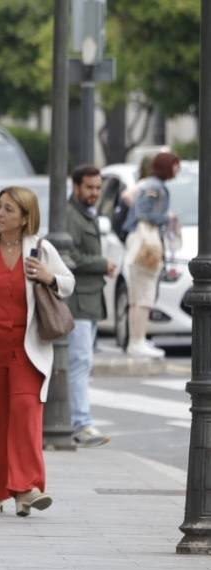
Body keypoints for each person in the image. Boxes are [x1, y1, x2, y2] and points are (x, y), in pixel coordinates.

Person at [0, 187, 75, 516]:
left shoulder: (40, 248)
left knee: (26, 414)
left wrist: (49, 276)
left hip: (28, 349)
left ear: (26, 216)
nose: (0, 213)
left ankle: (26, 488)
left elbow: (68, 284)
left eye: (9, 209)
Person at [65, 165, 117, 448]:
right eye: (89, 187)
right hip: (78, 302)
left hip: (89, 300)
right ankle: (81, 423)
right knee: (79, 362)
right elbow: (70, 254)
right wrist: (102, 264)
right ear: (76, 187)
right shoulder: (72, 215)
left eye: (98, 188)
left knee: (83, 363)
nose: (94, 193)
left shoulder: (87, 213)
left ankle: (79, 420)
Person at [122, 152, 181, 358]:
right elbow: (143, 212)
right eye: (175, 165)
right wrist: (167, 217)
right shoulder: (155, 186)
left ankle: (137, 340)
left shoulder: (150, 183)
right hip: (145, 242)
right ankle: (137, 341)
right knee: (144, 295)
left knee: (138, 296)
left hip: (138, 241)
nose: (177, 170)